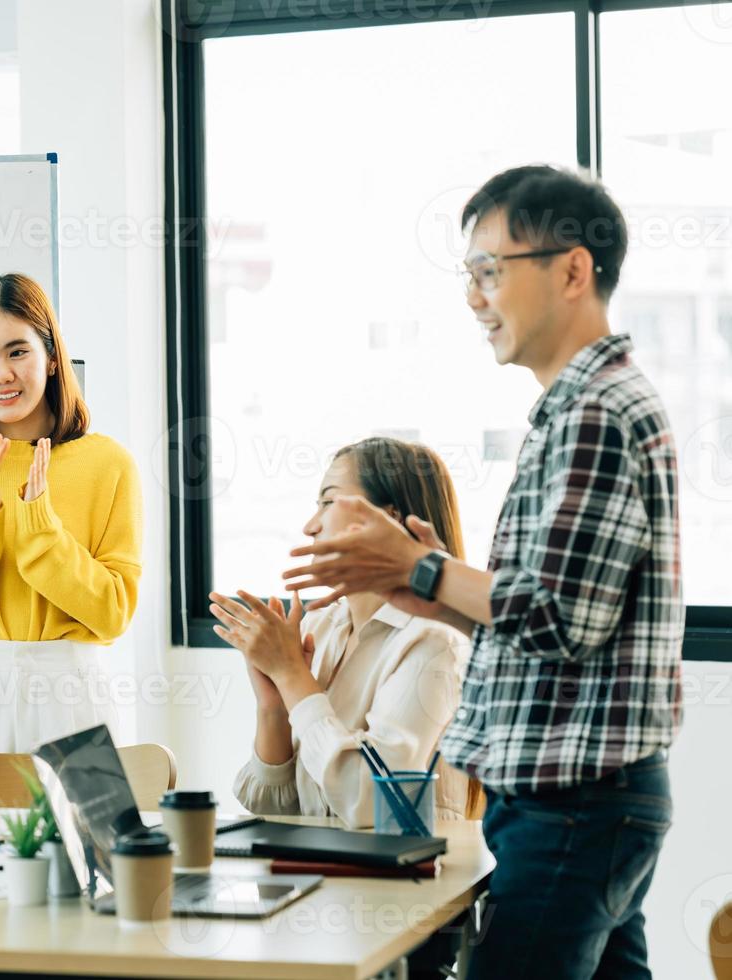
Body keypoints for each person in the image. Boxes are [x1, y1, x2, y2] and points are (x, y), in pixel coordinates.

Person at [282, 165, 681, 980]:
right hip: (583, 799)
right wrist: (425, 584)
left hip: (574, 802)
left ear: (573, 269)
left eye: (489, 271)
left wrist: (422, 570)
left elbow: (561, 618)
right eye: (469, 275)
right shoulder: (578, 408)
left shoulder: (595, 413)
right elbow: (549, 626)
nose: (473, 297)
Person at [0, 272, 142, 752]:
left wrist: (40, 530)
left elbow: (113, 615)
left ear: (52, 357)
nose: (1, 375)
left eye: (17, 352)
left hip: (71, 692)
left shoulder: (106, 463)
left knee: (80, 829)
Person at [212, 437, 481, 828]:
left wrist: (293, 677)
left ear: (387, 520)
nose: (310, 527)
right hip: (326, 877)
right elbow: (279, 819)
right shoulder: (322, 627)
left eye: (328, 502)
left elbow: (370, 801)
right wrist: (273, 706)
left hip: (407, 883)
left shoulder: (433, 642)